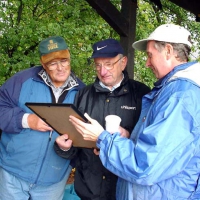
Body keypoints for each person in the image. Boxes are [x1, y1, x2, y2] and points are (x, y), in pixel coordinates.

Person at [68, 24, 200, 199]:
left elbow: (145, 165)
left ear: (168, 51)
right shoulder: (171, 90)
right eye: (98, 65)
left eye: (150, 55)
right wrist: (128, 137)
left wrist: (103, 139)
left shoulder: (180, 95)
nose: (146, 63)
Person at [54, 38, 150, 200]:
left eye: (109, 64)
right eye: (98, 65)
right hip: (89, 189)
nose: (103, 71)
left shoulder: (141, 94)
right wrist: (65, 148)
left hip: (124, 190)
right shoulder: (83, 95)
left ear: (123, 62)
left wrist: (128, 136)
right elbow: (74, 143)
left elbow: (152, 146)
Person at [0, 36, 85, 200]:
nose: (60, 68)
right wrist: (26, 120)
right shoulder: (21, 80)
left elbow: (85, 137)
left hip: (53, 181)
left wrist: (68, 154)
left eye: (64, 61)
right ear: (43, 63)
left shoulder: (82, 92)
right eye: (53, 63)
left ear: (70, 59)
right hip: (12, 174)